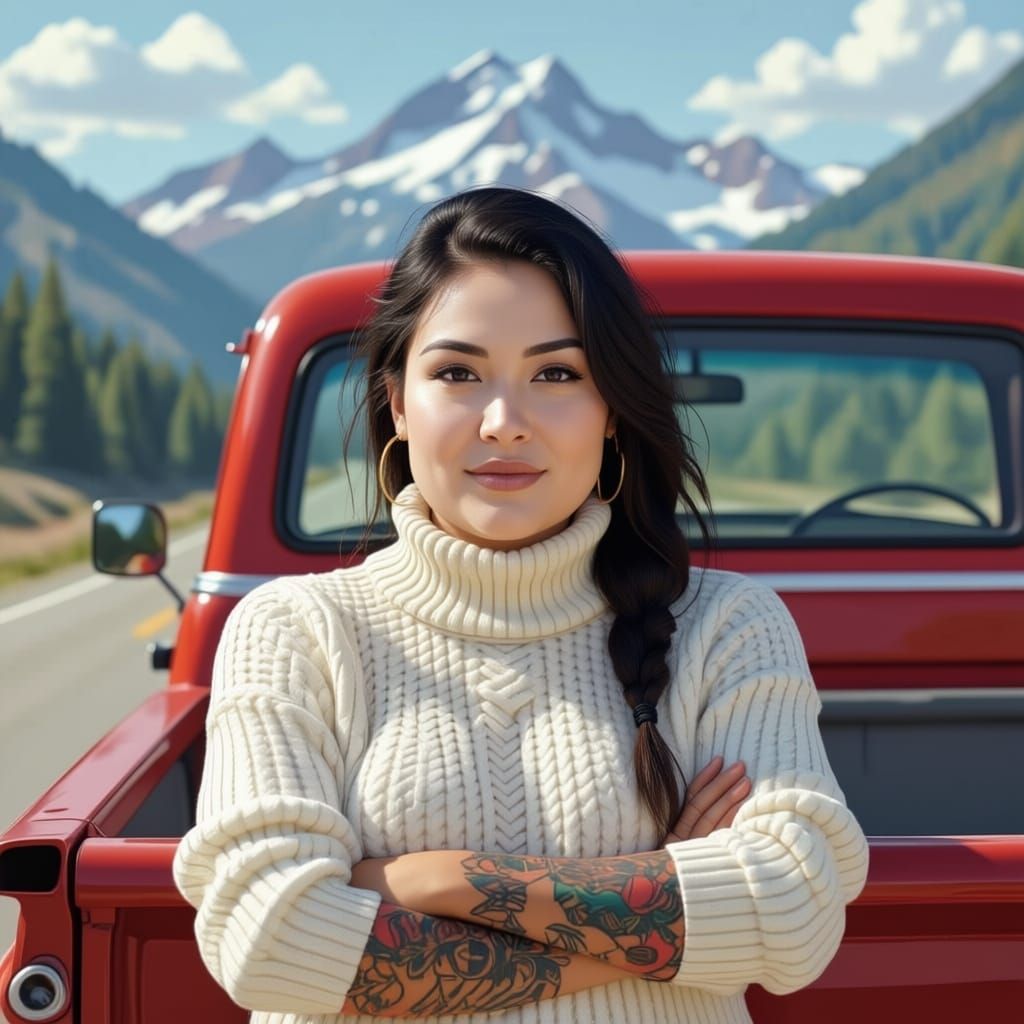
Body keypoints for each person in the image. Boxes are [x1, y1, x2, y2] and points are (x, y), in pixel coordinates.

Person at [172, 186, 869, 1023]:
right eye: (458, 373)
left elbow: (793, 912)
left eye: (557, 373)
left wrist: (436, 880)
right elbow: (269, 941)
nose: (504, 422)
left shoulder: (728, 627)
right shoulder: (295, 630)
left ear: (611, 411)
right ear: (398, 401)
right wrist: (662, 913)